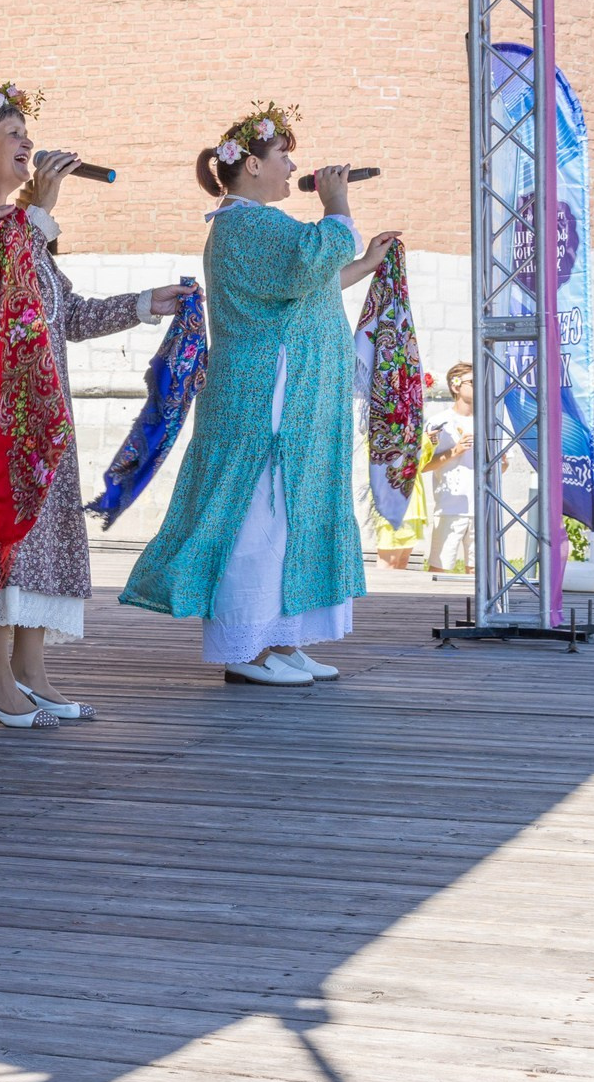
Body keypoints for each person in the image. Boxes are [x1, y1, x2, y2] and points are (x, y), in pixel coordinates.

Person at [0, 84, 188, 725]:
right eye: (11, 133)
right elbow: (0, 276)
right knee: (0, 531)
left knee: (36, 536)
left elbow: (65, 314)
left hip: (34, 405)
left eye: (27, 132)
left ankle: (32, 673)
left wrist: (148, 303)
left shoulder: (24, 228)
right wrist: (42, 208)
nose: (27, 143)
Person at [122, 108, 395, 686]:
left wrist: (366, 263)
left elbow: (303, 282)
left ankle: (280, 637)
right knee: (261, 510)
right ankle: (245, 646)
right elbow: (310, 258)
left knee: (290, 509)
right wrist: (337, 203)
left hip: (290, 389)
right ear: (252, 165)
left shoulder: (258, 227)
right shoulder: (247, 224)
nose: (294, 167)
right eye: (284, 157)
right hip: (266, 392)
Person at [426, 363, 477, 574]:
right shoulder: (439, 421)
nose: (478, 387)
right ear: (456, 387)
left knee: (478, 573)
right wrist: (454, 452)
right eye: (472, 382)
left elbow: (503, 466)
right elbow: (424, 465)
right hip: (450, 507)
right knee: (439, 570)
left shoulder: (491, 421)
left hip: (482, 509)